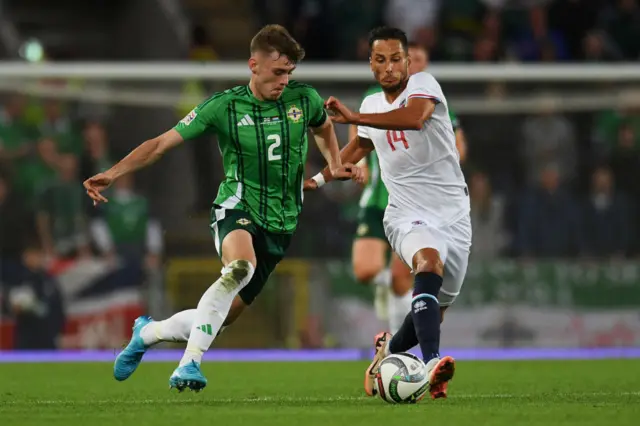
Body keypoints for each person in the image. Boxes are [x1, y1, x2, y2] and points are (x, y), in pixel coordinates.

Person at [83, 24, 361, 392]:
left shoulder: (304, 99)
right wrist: (113, 173)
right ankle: (189, 365)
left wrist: (335, 160)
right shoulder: (224, 107)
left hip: (282, 224)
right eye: (278, 72)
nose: (284, 80)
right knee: (240, 267)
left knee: (219, 317)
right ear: (254, 65)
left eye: (289, 73)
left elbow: (323, 127)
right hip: (236, 207)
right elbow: (161, 143)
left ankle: (148, 332)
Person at [306, 27, 471, 400]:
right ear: (371, 64)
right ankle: (432, 366)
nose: (390, 67)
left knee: (434, 310)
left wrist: (354, 119)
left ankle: (388, 354)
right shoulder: (370, 105)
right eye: (380, 60)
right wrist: (314, 181)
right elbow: (350, 156)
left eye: (396, 59)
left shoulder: (424, 86)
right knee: (427, 263)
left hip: (454, 215)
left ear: (407, 60)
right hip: (404, 213)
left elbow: (414, 118)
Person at [349, 42, 467, 334]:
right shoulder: (375, 98)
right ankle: (393, 310)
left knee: (406, 278)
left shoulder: (429, 100)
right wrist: (358, 164)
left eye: (419, 61)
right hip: (378, 197)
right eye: (409, 59)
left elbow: (458, 143)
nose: (413, 66)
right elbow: (358, 130)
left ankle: (396, 351)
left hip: (418, 207)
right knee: (365, 270)